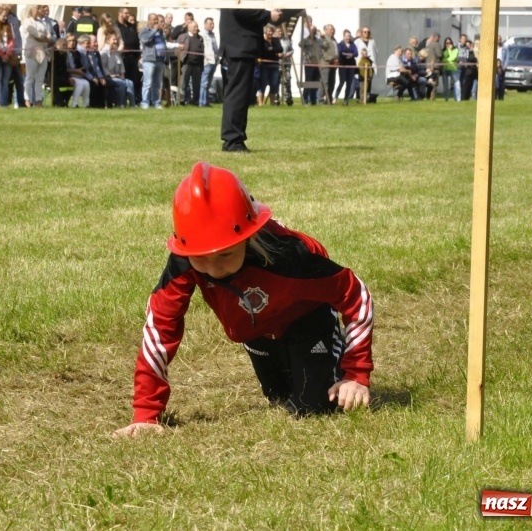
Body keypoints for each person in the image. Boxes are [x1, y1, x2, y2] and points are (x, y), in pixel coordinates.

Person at [114, 162, 375, 437]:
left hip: (306, 320)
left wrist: (355, 375)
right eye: (201, 258)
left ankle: (326, 355)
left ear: (249, 238)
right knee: (278, 396)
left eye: (225, 254)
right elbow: (160, 327)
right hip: (255, 328)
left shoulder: (290, 256)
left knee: (313, 408)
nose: (214, 269)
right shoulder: (184, 258)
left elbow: (358, 297)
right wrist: (146, 414)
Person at [219, 8, 282, 153]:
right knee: (237, 95)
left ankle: (235, 139)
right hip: (239, 46)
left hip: (241, 46)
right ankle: (232, 141)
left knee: (240, 95)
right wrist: (267, 15)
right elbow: (240, 8)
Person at [21, 5, 54, 108]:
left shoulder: (41, 22)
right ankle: (27, 99)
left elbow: (49, 35)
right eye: (37, 8)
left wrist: (45, 38)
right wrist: (45, 38)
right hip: (32, 52)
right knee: (30, 77)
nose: (40, 10)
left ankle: (38, 100)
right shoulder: (27, 21)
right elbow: (37, 35)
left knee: (40, 78)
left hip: (43, 52)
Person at [100, 32, 135, 108]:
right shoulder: (104, 53)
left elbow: (121, 66)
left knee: (129, 83)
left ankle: (133, 105)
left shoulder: (116, 53)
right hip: (109, 77)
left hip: (118, 76)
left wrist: (122, 76)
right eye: (114, 40)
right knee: (121, 83)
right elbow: (103, 67)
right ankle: (120, 104)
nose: (116, 41)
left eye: (116, 40)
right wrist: (110, 75)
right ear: (108, 41)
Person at [115, 7, 141, 105]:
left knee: (134, 79)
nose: (128, 15)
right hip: (123, 57)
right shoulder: (116, 26)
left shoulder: (131, 26)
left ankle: (133, 101)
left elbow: (136, 39)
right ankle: (122, 101)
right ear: (120, 13)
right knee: (123, 79)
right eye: (126, 13)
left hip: (133, 57)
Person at [177, 20, 204, 106]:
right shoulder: (183, 37)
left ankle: (195, 101)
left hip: (197, 65)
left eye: (197, 27)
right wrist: (181, 57)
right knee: (184, 83)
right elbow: (177, 49)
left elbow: (202, 50)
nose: (196, 29)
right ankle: (181, 100)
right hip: (186, 63)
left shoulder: (200, 38)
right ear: (189, 28)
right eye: (194, 27)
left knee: (197, 84)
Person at [257, 24, 280, 106]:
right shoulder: (262, 41)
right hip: (264, 65)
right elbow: (262, 51)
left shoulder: (275, 40)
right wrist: (274, 50)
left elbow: (280, 49)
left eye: (271, 31)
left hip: (274, 65)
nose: (270, 33)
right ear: (265, 32)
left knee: (274, 84)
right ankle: (260, 103)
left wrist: (271, 49)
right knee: (262, 84)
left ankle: (272, 103)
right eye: (269, 31)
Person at [199, 17, 218, 107]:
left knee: (209, 83)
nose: (212, 25)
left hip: (214, 61)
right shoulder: (202, 35)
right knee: (204, 82)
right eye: (210, 24)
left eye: (213, 24)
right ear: (205, 24)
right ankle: (201, 101)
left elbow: (215, 48)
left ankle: (206, 101)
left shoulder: (213, 35)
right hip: (207, 61)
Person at [335, 30, 357, 105]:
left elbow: (356, 53)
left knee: (349, 83)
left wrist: (351, 55)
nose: (348, 37)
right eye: (347, 36)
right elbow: (340, 52)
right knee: (342, 82)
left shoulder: (353, 44)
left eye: (349, 36)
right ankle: (336, 97)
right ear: (344, 36)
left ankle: (346, 99)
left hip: (351, 66)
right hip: (343, 66)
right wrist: (350, 54)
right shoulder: (340, 44)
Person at [442, 37, 459, 101]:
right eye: (447, 43)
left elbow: (453, 58)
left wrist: (449, 50)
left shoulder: (455, 50)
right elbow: (442, 58)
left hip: (453, 69)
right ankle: (446, 98)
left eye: (450, 43)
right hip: (445, 69)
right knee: (445, 85)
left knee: (455, 84)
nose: (448, 44)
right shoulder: (443, 50)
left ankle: (456, 98)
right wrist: (445, 60)